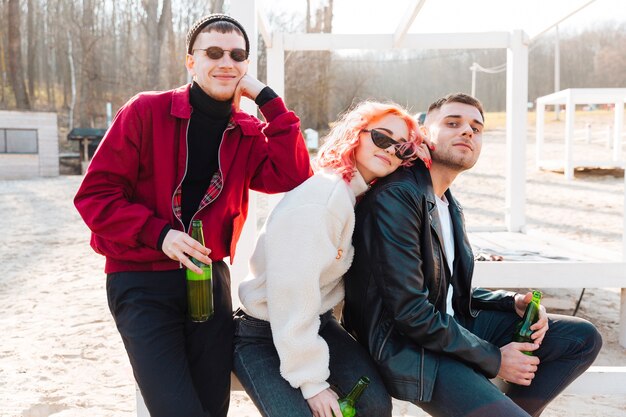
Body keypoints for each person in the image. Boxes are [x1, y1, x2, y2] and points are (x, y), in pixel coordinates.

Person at [74, 14, 311, 417]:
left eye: (237, 55)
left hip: (209, 279)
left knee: (211, 408)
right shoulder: (145, 111)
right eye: (213, 52)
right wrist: (159, 234)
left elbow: (293, 175)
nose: (226, 62)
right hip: (141, 279)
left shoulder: (247, 129)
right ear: (190, 61)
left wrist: (269, 100)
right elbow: (95, 196)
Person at [342, 93, 602, 417]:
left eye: (476, 128)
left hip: (447, 326)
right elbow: (410, 311)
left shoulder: (448, 204)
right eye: (453, 123)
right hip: (406, 346)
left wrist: (509, 301)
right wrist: (495, 359)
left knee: (580, 338)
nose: (467, 131)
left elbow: (446, 290)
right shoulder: (398, 197)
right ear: (423, 132)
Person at [233, 101, 431, 417]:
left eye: (404, 149)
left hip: (318, 322)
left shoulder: (358, 193)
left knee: (374, 406)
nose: (391, 151)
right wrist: (313, 383)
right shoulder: (323, 200)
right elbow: (292, 296)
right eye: (381, 138)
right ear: (356, 134)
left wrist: (421, 162)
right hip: (264, 330)